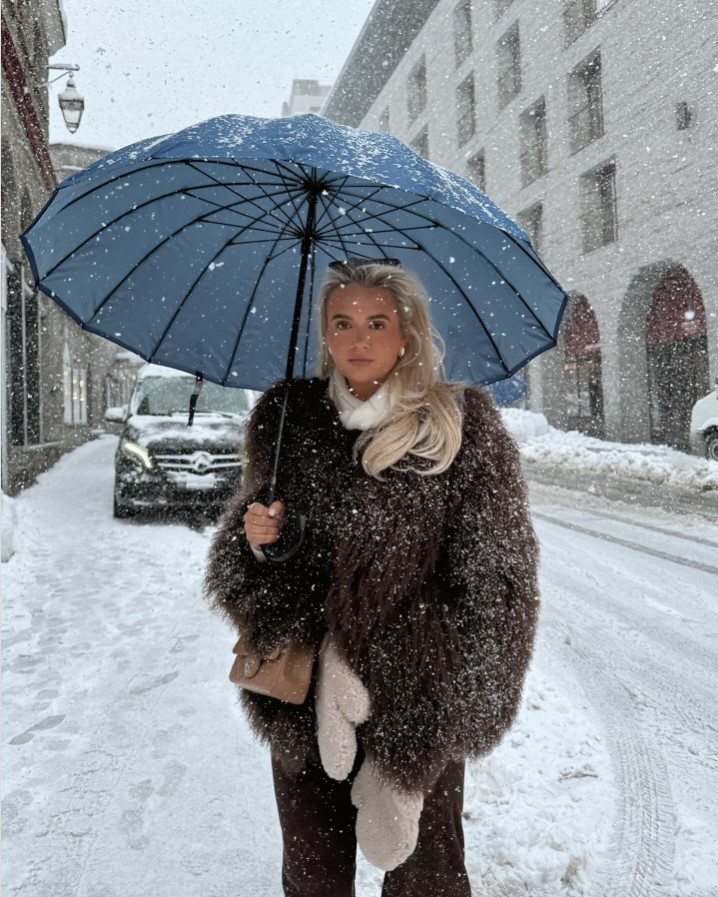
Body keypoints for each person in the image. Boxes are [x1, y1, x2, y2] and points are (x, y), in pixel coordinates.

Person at [203, 259, 540, 897]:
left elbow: (499, 579)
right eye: (342, 322)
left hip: (417, 695)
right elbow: (241, 566)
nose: (359, 339)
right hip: (305, 690)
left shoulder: (460, 426)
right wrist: (257, 545)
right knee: (312, 876)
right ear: (325, 336)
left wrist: (458, 702)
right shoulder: (287, 421)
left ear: (407, 333)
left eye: (377, 323)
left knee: (426, 875)